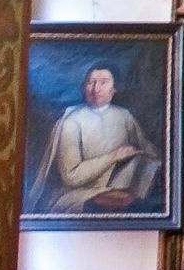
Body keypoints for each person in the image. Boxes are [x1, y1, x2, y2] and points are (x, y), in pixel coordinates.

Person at [30, 65, 162, 214]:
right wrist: (114, 157)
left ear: (114, 88)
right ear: (84, 87)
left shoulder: (124, 116)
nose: (96, 89)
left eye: (104, 82)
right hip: (79, 195)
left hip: (119, 189)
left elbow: (148, 150)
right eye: (90, 82)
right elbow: (71, 177)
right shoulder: (71, 122)